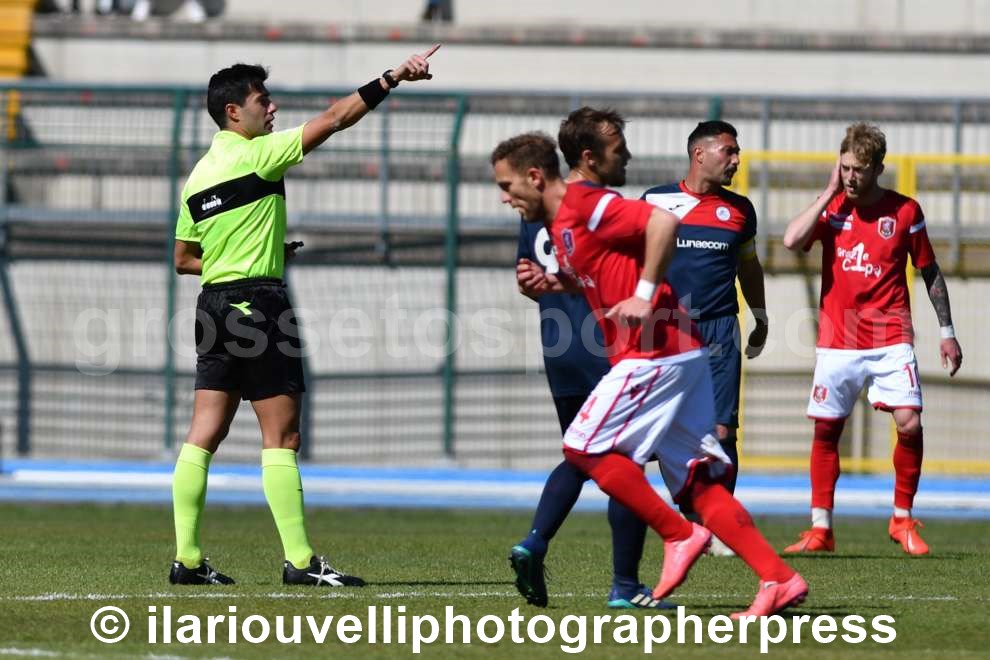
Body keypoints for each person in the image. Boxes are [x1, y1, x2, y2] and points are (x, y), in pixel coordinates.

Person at [493, 108, 807, 618]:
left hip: (655, 351)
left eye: (507, 186)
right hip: (679, 351)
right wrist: (556, 283)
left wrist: (643, 294)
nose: (504, 197)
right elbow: (599, 274)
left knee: (583, 447)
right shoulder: (565, 220)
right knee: (698, 484)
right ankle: (779, 578)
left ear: (534, 177)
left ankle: (677, 534)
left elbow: (663, 221)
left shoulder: (589, 203)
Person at [169, 45, 440, 586]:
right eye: (262, 101)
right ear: (233, 113)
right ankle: (299, 562)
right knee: (282, 437)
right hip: (258, 303)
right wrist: (391, 77)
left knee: (203, 434)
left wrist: (259, 251)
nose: (272, 108)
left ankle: (188, 560)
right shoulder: (261, 154)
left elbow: (184, 260)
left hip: (213, 304)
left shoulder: (197, 177)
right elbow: (336, 118)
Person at [781, 122, 962, 556]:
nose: (850, 177)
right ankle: (821, 528)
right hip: (837, 339)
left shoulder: (905, 212)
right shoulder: (832, 208)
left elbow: (929, 271)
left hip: (890, 337)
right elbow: (790, 240)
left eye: (859, 170)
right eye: (844, 168)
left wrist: (947, 333)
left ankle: (901, 519)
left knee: (909, 422)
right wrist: (827, 193)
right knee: (827, 429)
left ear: (878, 168)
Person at [509, 159, 666, 610]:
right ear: (590, 156)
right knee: (627, 460)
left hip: (559, 349)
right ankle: (625, 584)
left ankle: (535, 540)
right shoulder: (596, 207)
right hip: (604, 344)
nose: (625, 157)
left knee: (580, 456)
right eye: (617, 147)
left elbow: (530, 282)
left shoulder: (534, 213)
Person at [641, 120, 768, 556]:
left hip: (718, 331)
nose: (736, 160)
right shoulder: (655, 201)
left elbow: (749, 267)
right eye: (728, 151)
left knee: (722, 431)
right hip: (664, 330)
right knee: (659, 432)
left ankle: (716, 526)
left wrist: (760, 315)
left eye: (737, 153)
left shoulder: (740, 210)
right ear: (700, 154)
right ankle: (690, 516)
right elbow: (631, 261)